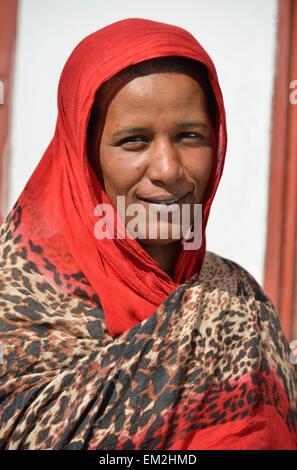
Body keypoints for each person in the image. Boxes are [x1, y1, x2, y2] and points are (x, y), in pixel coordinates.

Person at [0, 17, 296, 450]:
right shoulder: (17, 304)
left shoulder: (242, 306)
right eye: (134, 141)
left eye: (189, 136)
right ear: (83, 154)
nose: (167, 170)